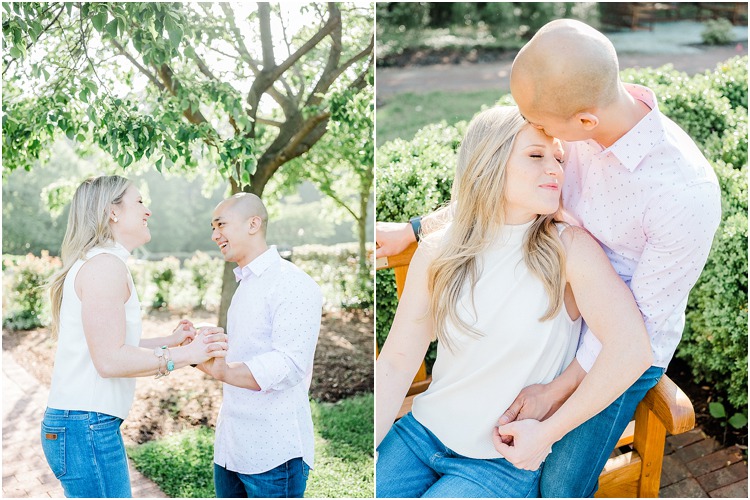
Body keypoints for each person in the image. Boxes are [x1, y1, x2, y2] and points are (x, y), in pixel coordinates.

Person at [375, 19, 721, 496]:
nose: (529, 125)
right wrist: (415, 230)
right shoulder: (567, 127)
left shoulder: (684, 194)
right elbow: (499, 180)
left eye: (546, 137)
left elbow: (635, 336)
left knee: (556, 485)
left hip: (621, 342)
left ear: (583, 124)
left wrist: (554, 396)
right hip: (528, 334)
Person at [376, 105, 653, 498]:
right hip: (420, 435)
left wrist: (546, 433)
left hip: (499, 463)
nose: (555, 168)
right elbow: (397, 362)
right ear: (489, 161)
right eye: (536, 155)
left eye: (559, 157)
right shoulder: (440, 249)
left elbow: (632, 349)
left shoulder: (568, 250)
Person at [42, 175, 229, 498]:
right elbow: (110, 360)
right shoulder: (104, 267)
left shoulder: (103, 262)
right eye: (139, 201)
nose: (148, 211)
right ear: (112, 211)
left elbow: (111, 345)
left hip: (82, 425)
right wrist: (188, 355)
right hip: (85, 426)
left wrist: (169, 342)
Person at [198, 193, 322, 498]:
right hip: (231, 446)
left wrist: (223, 371)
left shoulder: (292, 283)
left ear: (253, 224)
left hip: (273, 453)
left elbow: (290, 365)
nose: (214, 235)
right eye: (213, 227)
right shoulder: (247, 282)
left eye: (221, 225)